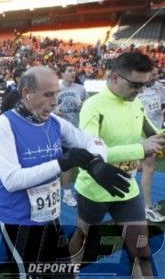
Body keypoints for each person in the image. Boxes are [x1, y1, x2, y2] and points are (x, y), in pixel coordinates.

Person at [0, 66, 130, 278]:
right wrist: (62, 163)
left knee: (65, 273)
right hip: (19, 221)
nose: (55, 101)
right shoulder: (5, 125)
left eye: (56, 93)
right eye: (48, 95)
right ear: (27, 93)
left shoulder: (55, 122)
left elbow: (90, 141)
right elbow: (11, 180)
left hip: (50, 217)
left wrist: (95, 162)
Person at [70, 52, 165, 277]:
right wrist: (140, 149)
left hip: (127, 189)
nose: (141, 90)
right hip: (94, 189)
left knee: (141, 248)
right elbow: (91, 152)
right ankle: (70, 272)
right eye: (135, 85)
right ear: (114, 78)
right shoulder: (93, 106)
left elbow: (154, 133)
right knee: (82, 238)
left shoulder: (136, 102)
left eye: (145, 85)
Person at [55, 64, 87, 207]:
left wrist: (84, 107)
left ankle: (72, 191)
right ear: (62, 73)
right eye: (69, 71)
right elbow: (46, 107)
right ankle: (66, 193)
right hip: (59, 131)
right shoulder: (55, 88)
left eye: (74, 70)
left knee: (76, 162)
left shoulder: (81, 89)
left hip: (77, 130)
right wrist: (54, 111)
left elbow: (88, 105)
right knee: (64, 164)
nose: (73, 73)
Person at [138, 65, 165, 222]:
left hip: (156, 133)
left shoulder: (158, 88)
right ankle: (147, 208)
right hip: (143, 136)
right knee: (150, 167)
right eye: (151, 74)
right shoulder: (137, 91)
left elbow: (162, 107)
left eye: (156, 74)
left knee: (145, 167)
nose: (154, 77)